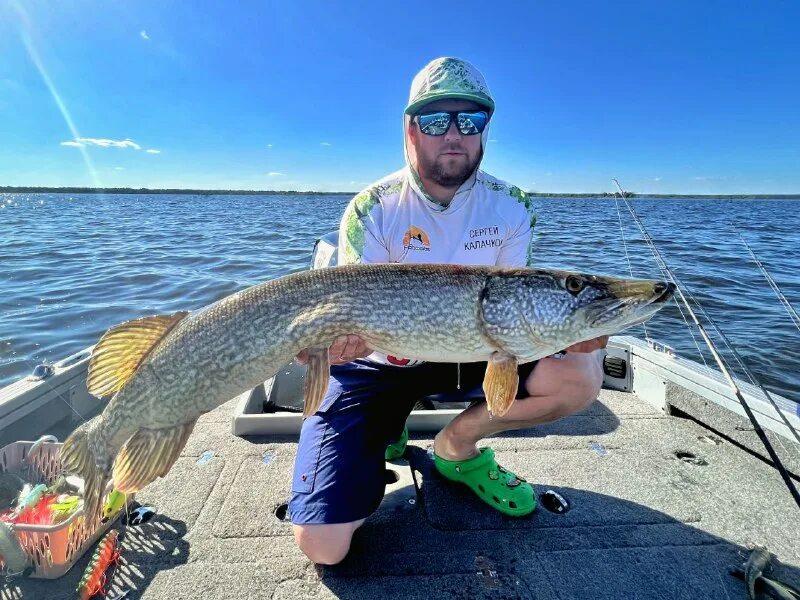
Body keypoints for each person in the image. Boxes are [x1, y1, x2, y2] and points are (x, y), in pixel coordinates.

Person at [290, 57, 607, 565]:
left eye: (471, 121)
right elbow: (348, 317)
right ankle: (384, 428)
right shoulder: (373, 207)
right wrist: (333, 343)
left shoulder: (513, 205)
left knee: (580, 377)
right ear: (411, 131)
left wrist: (568, 331)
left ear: (485, 131)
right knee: (324, 547)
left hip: (471, 351)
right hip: (377, 366)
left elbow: (512, 315)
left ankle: (457, 447)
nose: (454, 135)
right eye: (436, 121)